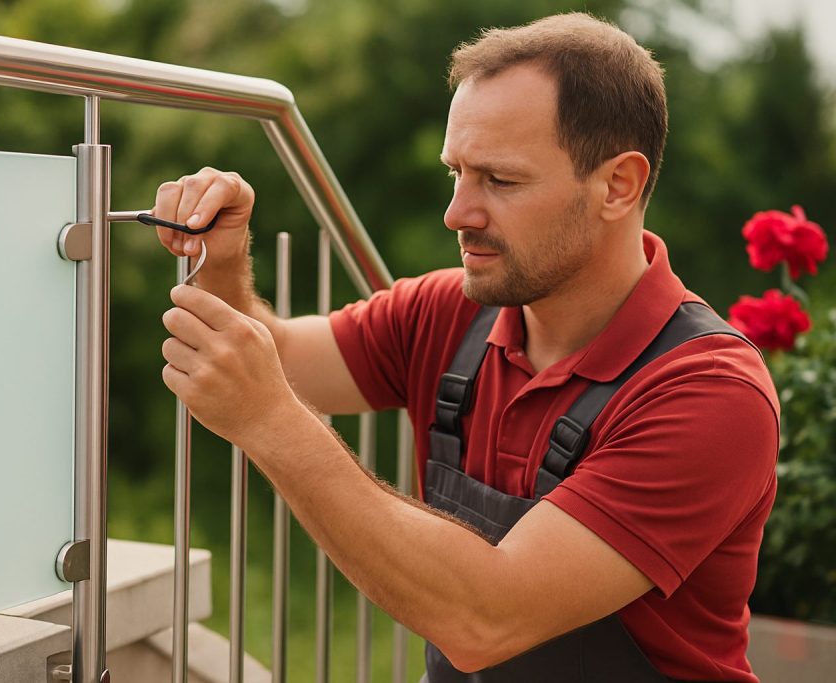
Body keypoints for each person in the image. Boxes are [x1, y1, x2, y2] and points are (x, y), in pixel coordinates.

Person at [154, 12, 778, 682]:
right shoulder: (449, 312)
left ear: (617, 185)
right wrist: (220, 258)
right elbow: (271, 357)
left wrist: (272, 422)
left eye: (500, 180)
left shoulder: (709, 392)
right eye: (456, 171)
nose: (457, 212)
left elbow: (487, 619)